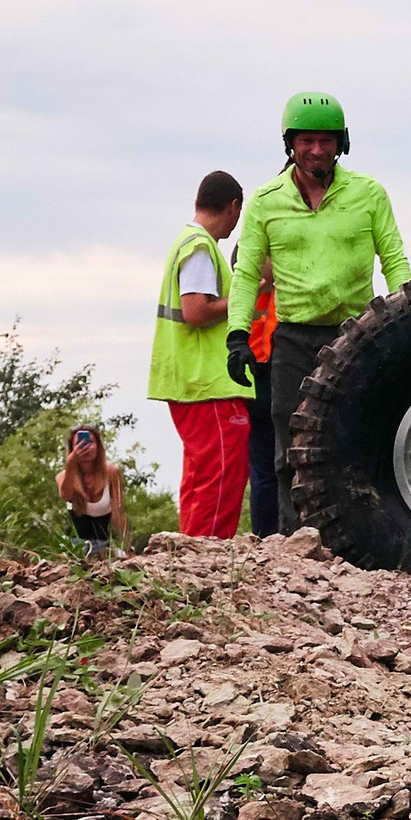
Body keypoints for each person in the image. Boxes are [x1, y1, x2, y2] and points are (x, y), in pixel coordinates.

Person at [224, 90, 411, 534]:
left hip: (357, 336)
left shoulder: (368, 193)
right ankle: (296, 544)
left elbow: (395, 261)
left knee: (360, 438)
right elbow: (247, 273)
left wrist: (406, 321)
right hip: (292, 339)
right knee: (290, 447)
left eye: (326, 141)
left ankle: (366, 538)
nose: (316, 150)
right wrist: (236, 335)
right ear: (290, 144)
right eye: (306, 141)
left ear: (341, 143)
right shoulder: (266, 201)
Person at [148, 170, 252, 537]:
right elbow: (195, 311)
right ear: (233, 206)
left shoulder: (187, 241)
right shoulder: (200, 246)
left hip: (191, 383)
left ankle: (188, 559)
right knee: (219, 480)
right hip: (208, 384)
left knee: (200, 478)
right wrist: (242, 299)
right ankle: (209, 558)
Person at [57, 423, 130, 555]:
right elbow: (65, 495)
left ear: (98, 446)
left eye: (90, 442)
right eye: (79, 444)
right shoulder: (65, 476)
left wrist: (128, 544)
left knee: (121, 559)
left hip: (102, 546)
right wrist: (71, 463)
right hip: (74, 547)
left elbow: (118, 513)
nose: (86, 447)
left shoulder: (112, 473)